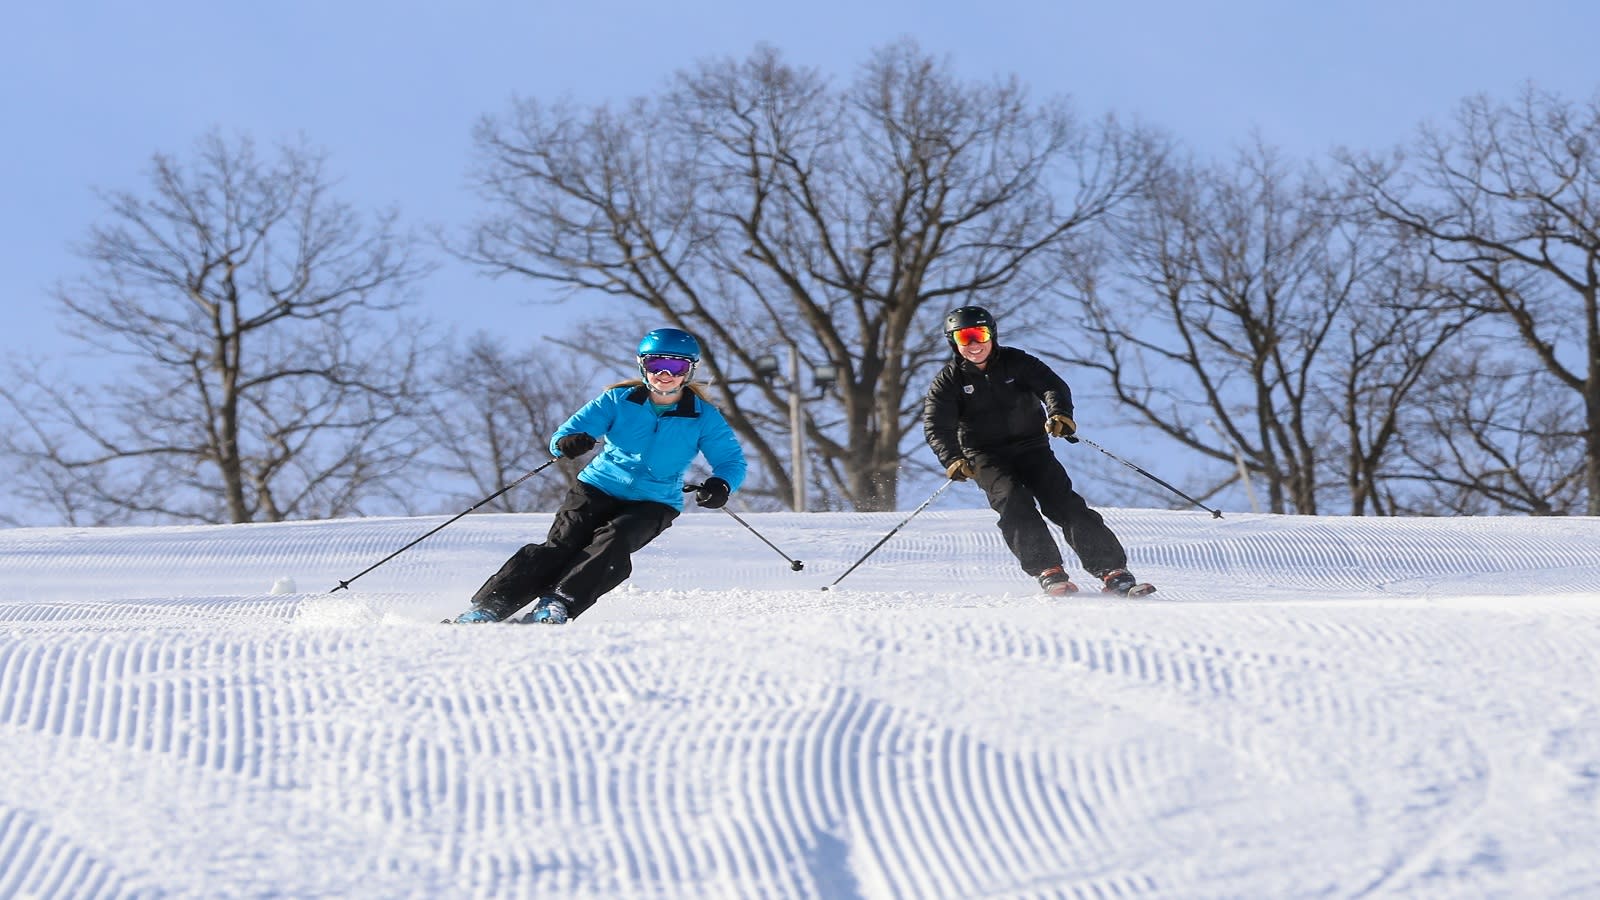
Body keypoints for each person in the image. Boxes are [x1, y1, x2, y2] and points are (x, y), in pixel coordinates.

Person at [450, 327, 748, 624]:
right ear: (643, 365)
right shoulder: (618, 400)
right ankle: (489, 607)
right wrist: (570, 442)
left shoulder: (703, 416)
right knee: (563, 545)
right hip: (598, 487)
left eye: (676, 366)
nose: (665, 374)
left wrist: (721, 484)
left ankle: (558, 603)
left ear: (690, 371)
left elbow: (731, 461)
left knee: (615, 541)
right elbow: (564, 435)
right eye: (657, 364)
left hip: (655, 500)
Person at [921, 306, 1154, 597]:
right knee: (1013, 501)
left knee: (1064, 503)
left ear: (991, 334)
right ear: (953, 342)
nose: (973, 345)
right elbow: (936, 425)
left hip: (1031, 446)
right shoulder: (949, 381)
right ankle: (1049, 570)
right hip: (984, 454)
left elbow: (1052, 386)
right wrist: (953, 458)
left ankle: (1112, 571)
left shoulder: (1017, 362)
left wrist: (1059, 414)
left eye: (978, 334)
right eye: (964, 338)